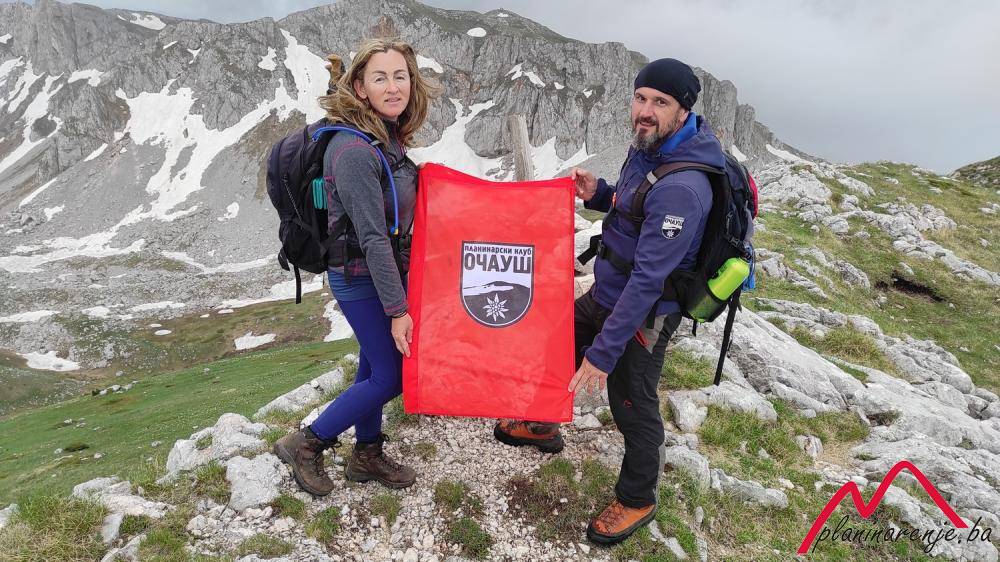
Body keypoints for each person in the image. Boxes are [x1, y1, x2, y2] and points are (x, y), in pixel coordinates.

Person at [494, 58, 726, 545]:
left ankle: (638, 498)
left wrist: (602, 354)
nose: (645, 110)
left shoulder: (684, 190)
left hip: (646, 313)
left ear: (683, 111)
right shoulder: (650, 147)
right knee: (556, 347)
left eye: (660, 102)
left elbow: (647, 282)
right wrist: (600, 193)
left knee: (631, 402)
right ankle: (543, 425)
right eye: (640, 98)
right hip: (607, 291)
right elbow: (633, 202)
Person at [273, 38, 438, 496]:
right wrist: (398, 310)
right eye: (380, 78)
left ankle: (366, 454)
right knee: (392, 375)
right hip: (359, 278)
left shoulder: (385, 137)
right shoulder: (353, 151)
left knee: (372, 367)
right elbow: (372, 238)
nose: (393, 87)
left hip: (377, 274)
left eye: (400, 76)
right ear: (361, 87)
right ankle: (307, 443)